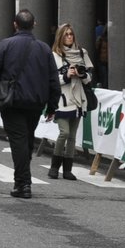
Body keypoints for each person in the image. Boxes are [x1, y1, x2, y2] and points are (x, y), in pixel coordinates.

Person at [0, 9, 61, 199]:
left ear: (15, 24)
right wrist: (52, 106)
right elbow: (53, 80)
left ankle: (23, 183)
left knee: (19, 141)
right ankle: (23, 180)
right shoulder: (44, 49)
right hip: (35, 103)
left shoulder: (5, 45)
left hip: (13, 102)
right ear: (34, 24)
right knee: (26, 140)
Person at [48, 23, 95, 180]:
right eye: (66, 34)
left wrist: (82, 75)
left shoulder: (82, 53)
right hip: (63, 99)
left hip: (79, 99)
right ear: (60, 36)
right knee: (64, 132)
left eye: (71, 34)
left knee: (73, 136)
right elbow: (52, 80)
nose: (69, 37)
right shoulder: (55, 55)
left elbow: (89, 79)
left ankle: (67, 169)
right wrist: (67, 75)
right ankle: (54, 167)